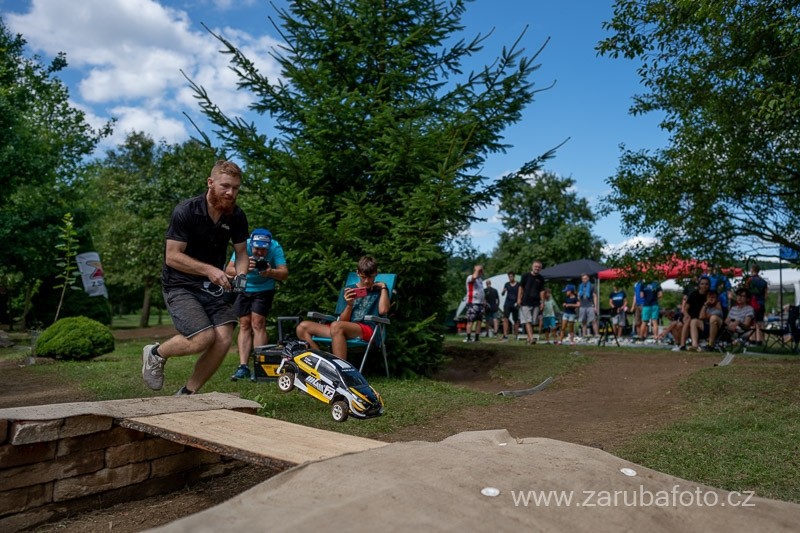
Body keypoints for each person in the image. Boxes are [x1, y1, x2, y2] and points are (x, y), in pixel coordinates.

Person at [141, 160, 250, 395]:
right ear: (210, 183)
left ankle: (187, 394)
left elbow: (242, 253)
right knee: (203, 337)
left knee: (223, 338)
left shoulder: (236, 216)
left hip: (211, 287)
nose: (230, 193)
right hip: (179, 285)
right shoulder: (186, 211)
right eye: (225, 186)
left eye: (236, 188)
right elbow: (172, 256)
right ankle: (155, 354)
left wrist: (241, 277)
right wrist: (210, 270)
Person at [295, 256, 390, 359]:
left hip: (368, 329)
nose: (366, 281)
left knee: (337, 326)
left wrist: (383, 287)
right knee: (302, 327)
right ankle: (322, 362)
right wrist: (349, 304)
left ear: (376, 273)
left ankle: (339, 367)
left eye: (370, 277)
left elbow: (383, 310)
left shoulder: (380, 290)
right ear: (358, 273)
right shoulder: (348, 290)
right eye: (363, 277)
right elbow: (343, 321)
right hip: (343, 328)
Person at [225, 228, 288, 381]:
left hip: (264, 288)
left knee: (258, 323)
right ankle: (243, 366)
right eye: (257, 249)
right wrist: (243, 268)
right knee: (244, 324)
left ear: (269, 246)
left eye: (263, 249)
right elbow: (229, 270)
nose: (260, 252)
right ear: (251, 245)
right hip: (243, 286)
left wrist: (270, 272)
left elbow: (284, 273)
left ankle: (259, 365)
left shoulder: (275, 247)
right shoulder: (243, 246)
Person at [674, 275, 711, 352]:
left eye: (706, 284)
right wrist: (686, 315)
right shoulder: (694, 294)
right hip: (691, 315)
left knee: (688, 322)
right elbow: (686, 308)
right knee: (682, 323)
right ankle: (682, 345)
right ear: (699, 285)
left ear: (709, 285)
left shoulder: (710, 296)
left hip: (702, 318)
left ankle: (684, 345)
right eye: (702, 284)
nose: (704, 286)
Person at [518, 261, 545, 344]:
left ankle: (528, 338)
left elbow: (542, 291)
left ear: (540, 268)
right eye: (536, 266)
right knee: (528, 320)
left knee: (533, 322)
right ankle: (532, 338)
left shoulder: (541, 278)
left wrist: (542, 302)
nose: (537, 268)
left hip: (536, 302)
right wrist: (519, 298)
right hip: (525, 301)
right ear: (532, 266)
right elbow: (520, 288)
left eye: (539, 267)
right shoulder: (525, 276)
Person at [745, 264, 769, 344]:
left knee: (752, 322)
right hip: (761, 303)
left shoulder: (750, 280)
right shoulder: (763, 281)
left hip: (752, 303)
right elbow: (766, 295)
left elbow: (746, 292)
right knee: (760, 321)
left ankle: (752, 339)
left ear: (752, 270)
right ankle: (760, 340)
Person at [461, 264, 485, 342]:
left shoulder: (480, 280)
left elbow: (481, 291)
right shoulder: (470, 277)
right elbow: (474, 277)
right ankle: (468, 337)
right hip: (472, 302)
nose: (481, 272)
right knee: (470, 320)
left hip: (480, 303)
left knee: (479, 320)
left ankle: (477, 337)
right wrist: (477, 269)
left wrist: (484, 302)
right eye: (480, 271)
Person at [577, 273, 598, 339]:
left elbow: (595, 296)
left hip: (590, 305)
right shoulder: (580, 286)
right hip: (582, 306)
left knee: (593, 320)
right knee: (584, 322)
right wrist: (578, 298)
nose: (584, 280)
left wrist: (595, 307)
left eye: (585, 278)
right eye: (583, 279)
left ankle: (596, 335)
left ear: (588, 278)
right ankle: (584, 335)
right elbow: (579, 296)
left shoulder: (592, 286)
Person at [500, 272, 521, 341]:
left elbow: (520, 293)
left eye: (511, 276)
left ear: (514, 277)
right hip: (507, 304)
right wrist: (503, 291)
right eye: (509, 277)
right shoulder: (506, 284)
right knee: (505, 318)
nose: (510, 278)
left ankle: (516, 335)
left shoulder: (518, 284)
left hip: (515, 304)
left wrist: (518, 302)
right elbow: (502, 294)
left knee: (516, 320)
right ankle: (505, 335)